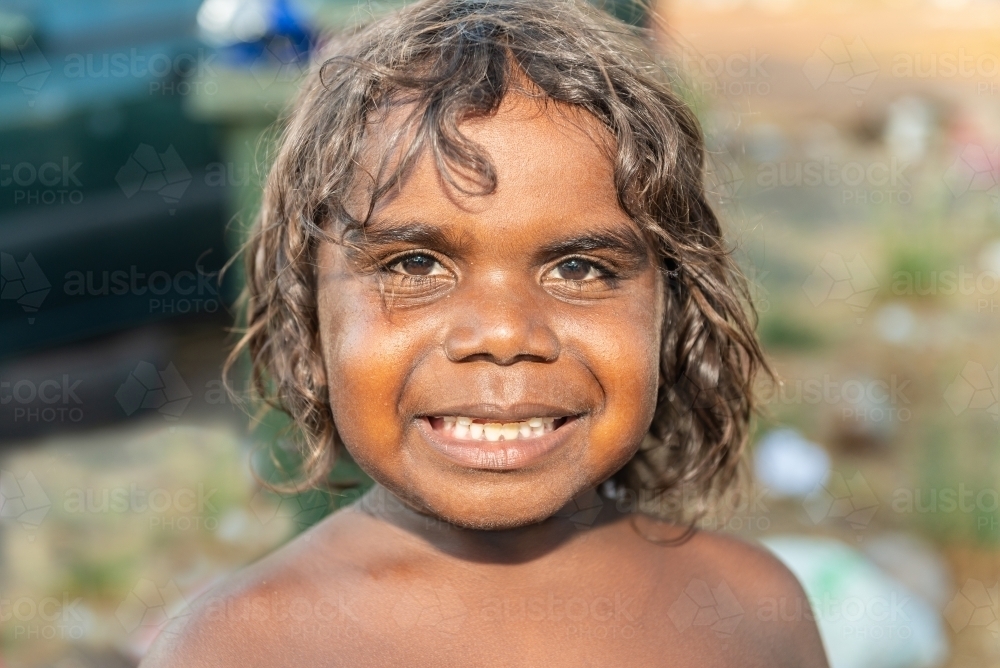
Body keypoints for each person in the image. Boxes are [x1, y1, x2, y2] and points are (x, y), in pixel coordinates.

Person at [142, 0, 828, 665]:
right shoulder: (234, 650)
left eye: (580, 268)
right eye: (415, 264)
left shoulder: (753, 610)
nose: (502, 332)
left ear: (673, 313)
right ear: (309, 319)